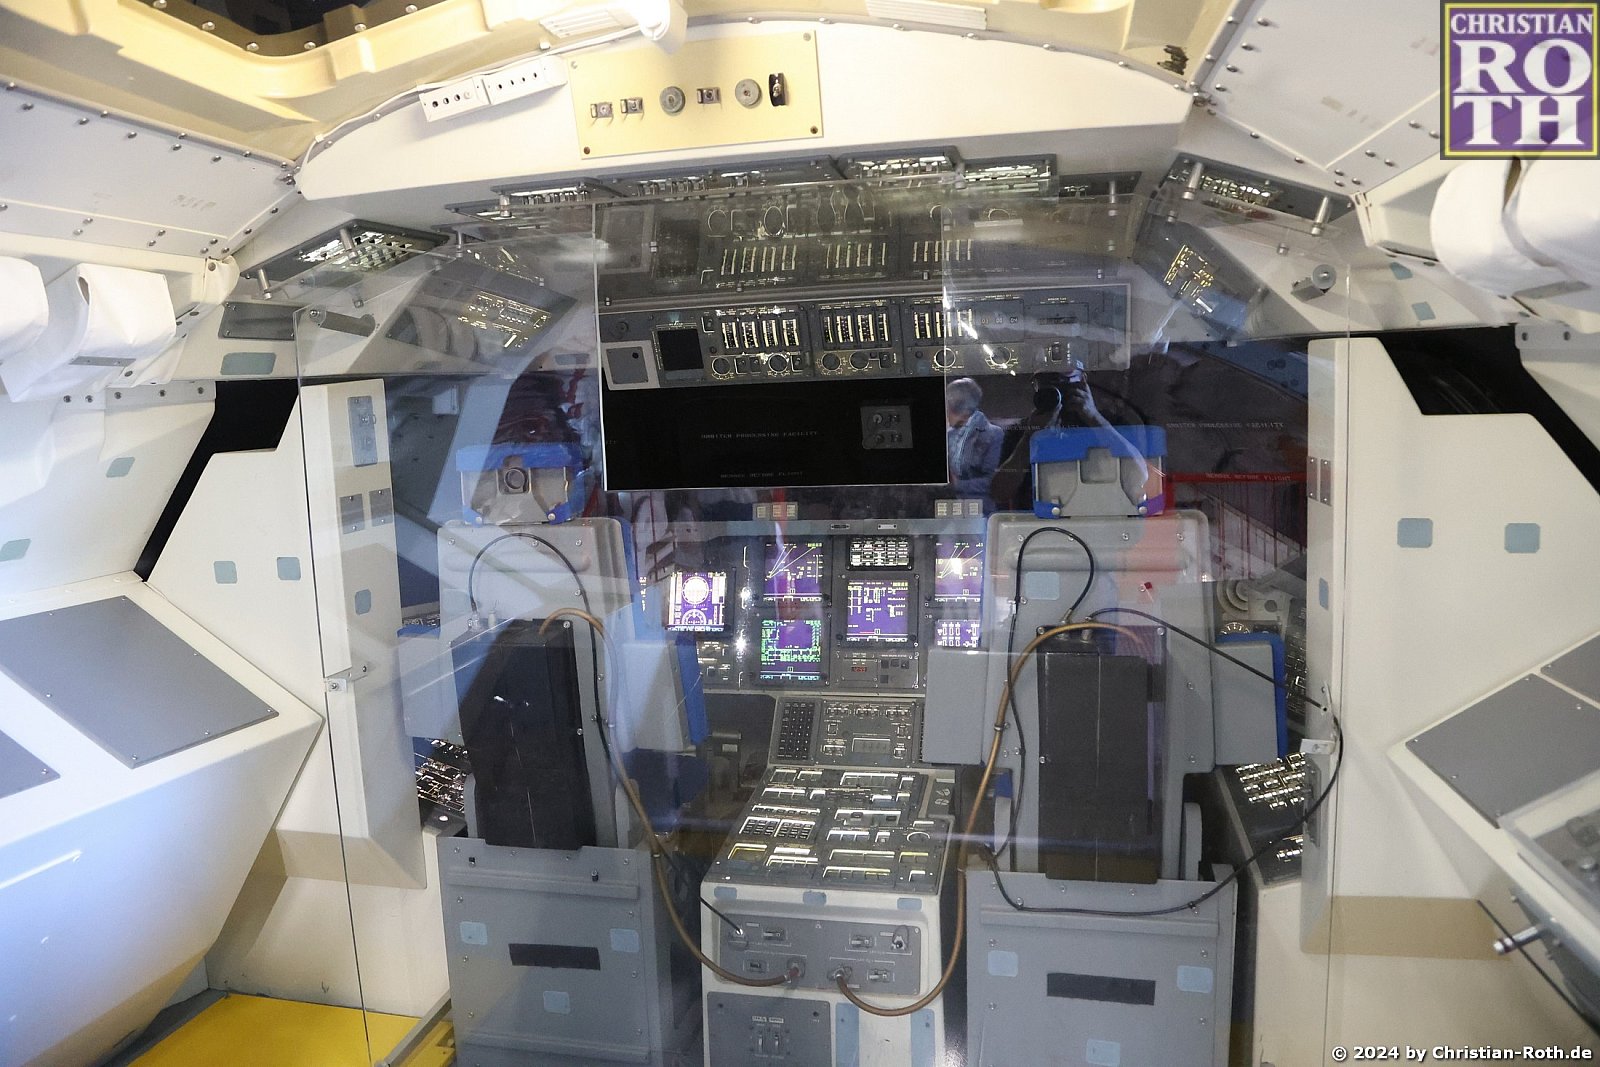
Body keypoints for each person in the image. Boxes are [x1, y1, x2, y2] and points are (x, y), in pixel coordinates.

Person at [945, 377, 1005, 501]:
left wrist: (956, 485)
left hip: (981, 506)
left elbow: (994, 483)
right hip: (949, 505)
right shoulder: (948, 435)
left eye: (947, 404)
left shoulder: (993, 434)